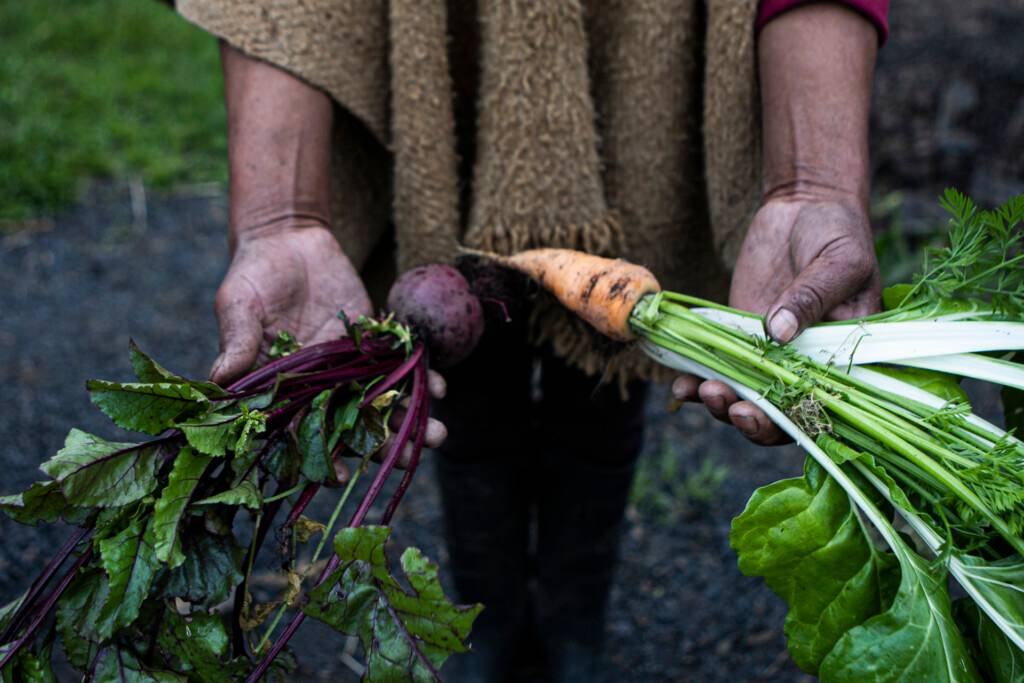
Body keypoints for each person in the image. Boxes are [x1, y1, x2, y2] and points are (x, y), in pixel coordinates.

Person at [175, 0, 888, 680]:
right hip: (447, 47)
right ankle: (490, 618)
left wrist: (814, 181)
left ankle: (574, 623)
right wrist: (281, 215)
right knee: (466, 378)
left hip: (643, 50)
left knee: (606, 372)